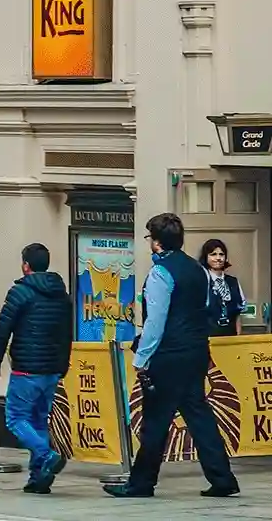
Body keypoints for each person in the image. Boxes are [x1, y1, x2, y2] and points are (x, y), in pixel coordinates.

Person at [106, 213, 238, 499]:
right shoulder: (198, 270)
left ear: (155, 243)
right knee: (199, 415)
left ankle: (141, 483)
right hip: (196, 351)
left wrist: (141, 358)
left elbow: (155, 321)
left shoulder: (160, 273)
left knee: (155, 420)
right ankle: (222, 477)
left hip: (169, 356)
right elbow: (205, 307)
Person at [0, 243, 73, 493]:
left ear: (25, 265)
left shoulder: (20, 292)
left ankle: (46, 456)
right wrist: (63, 364)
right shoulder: (61, 294)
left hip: (27, 368)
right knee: (38, 421)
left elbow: (3, 329)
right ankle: (38, 478)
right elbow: (66, 332)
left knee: (15, 419)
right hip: (52, 369)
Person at [199, 238, 248, 337]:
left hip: (231, 338)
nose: (218, 258)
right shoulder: (201, 281)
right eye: (213, 254)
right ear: (206, 257)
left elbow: (238, 314)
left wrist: (238, 337)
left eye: (221, 254)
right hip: (208, 339)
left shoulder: (233, 282)